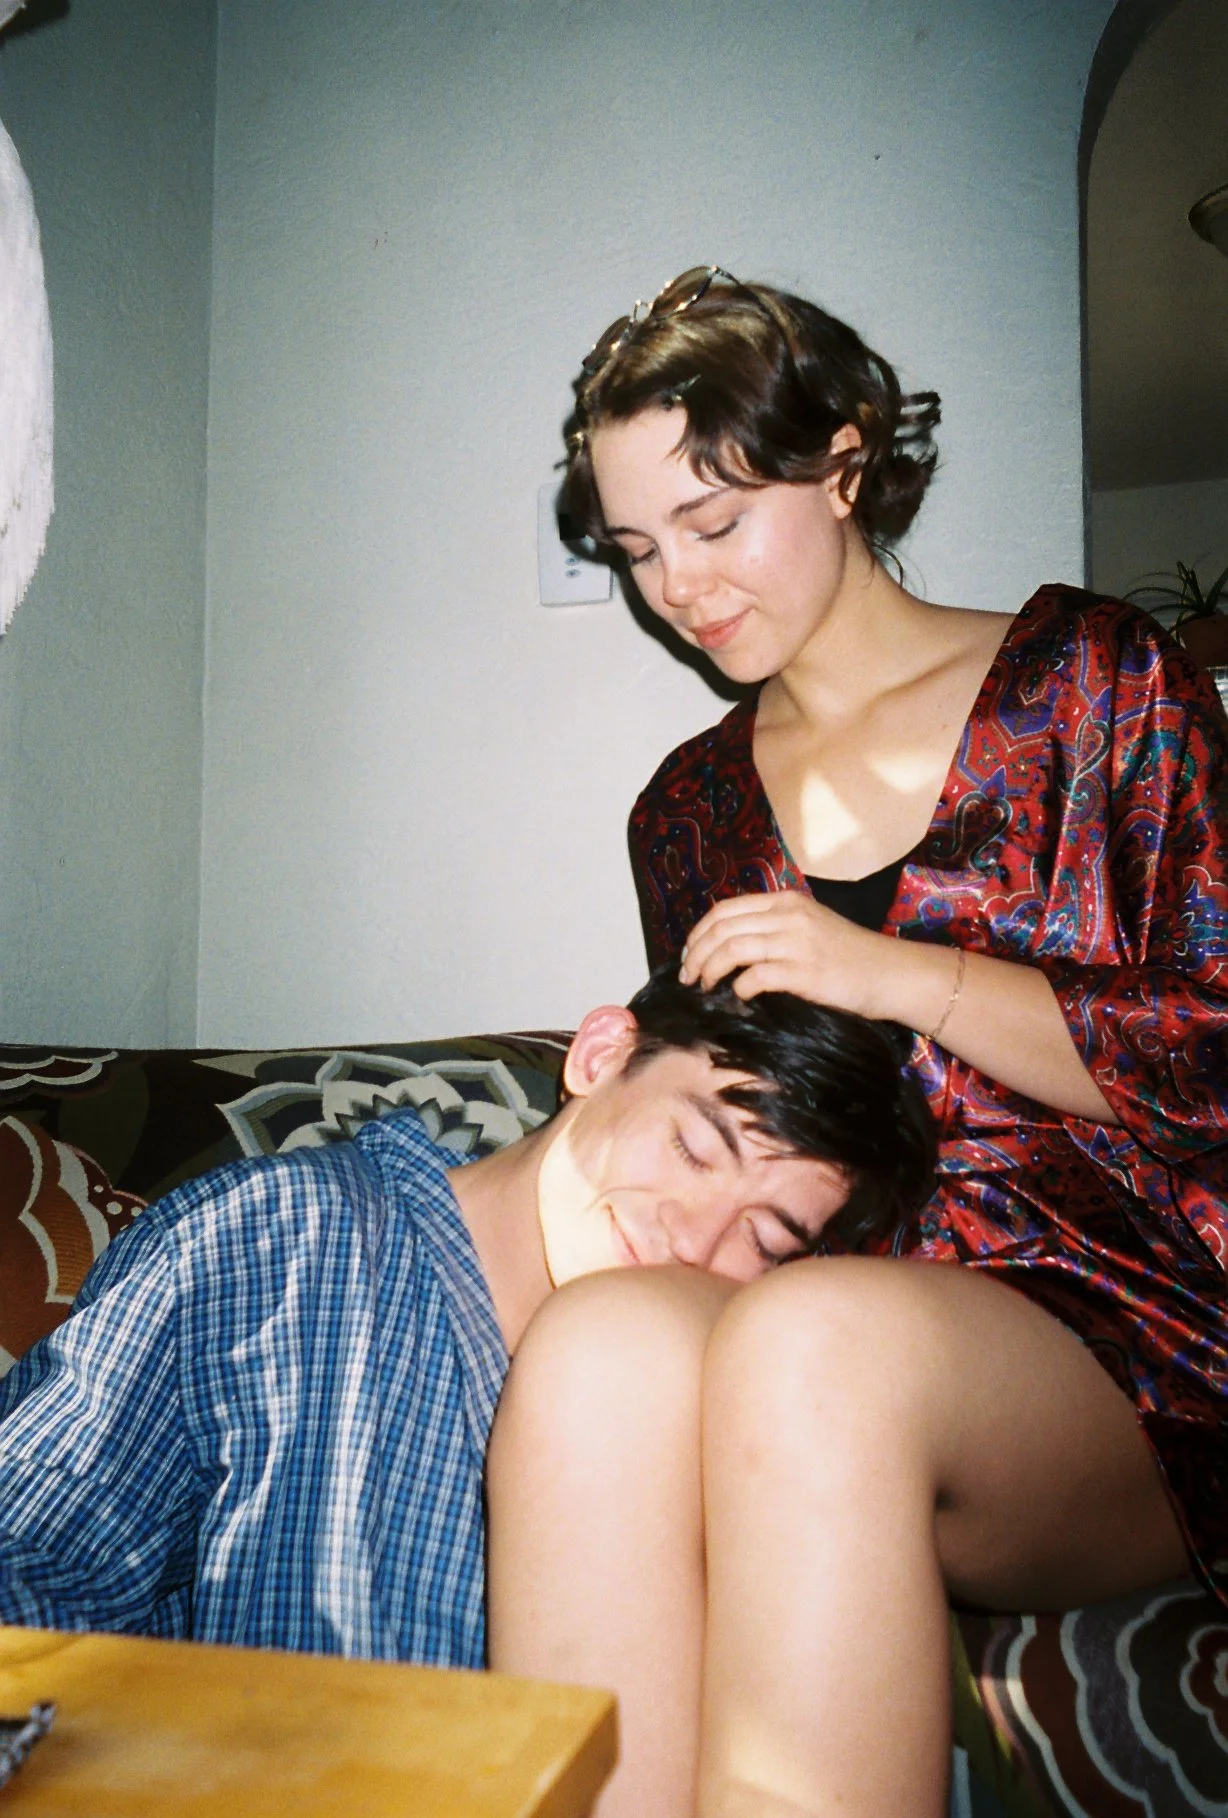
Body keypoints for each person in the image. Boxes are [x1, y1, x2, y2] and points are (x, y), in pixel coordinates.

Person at [484, 268, 1228, 1817]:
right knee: (605, 1346)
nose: (679, 588)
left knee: (817, 1344)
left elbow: (1214, 1050)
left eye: (713, 521)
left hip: (1127, 1332)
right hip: (818, 1309)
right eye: (637, 549)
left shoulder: (1095, 683)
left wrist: (894, 973)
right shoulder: (687, 809)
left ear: (842, 459)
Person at [0, 966, 932, 1667]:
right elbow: (32, 1563)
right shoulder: (280, 1238)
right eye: (691, 1147)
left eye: (764, 1238)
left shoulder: (734, 1405)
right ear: (601, 1056)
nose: (694, 1240)